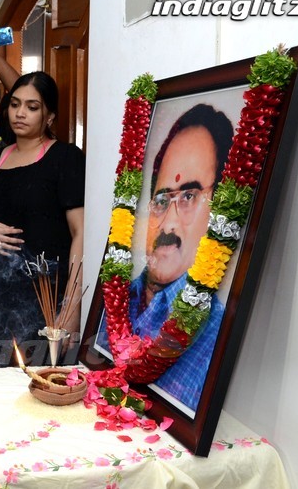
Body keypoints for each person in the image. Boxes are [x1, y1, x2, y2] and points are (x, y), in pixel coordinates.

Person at [98, 103, 234, 411]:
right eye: (161, 199)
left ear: (218, 212)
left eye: (189, 196)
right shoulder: (116, 296)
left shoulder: (214, 330)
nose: (169, 223)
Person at [0, 71, 85, 367]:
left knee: (39, 391)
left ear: (49, 116)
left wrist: (70, 309)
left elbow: (81, 233)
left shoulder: (65, 159)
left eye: (32, 107)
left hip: (43, 298)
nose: (20, 113)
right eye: (15, 104)